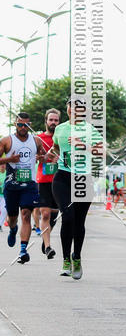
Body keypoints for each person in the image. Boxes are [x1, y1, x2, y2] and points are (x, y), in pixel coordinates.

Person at [46, 99, 104, 280]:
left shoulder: (90, 130)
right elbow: (56, 147)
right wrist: (52, 154)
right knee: (68, 216)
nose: (75, 110)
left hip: (83, 179)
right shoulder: (61, 129)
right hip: (62, 177)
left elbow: (101, 151)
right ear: (68, 109)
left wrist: (83, 145)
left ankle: (76, 257)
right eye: (72, 106)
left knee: (79, 222)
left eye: (79, 107)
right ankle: (65, 259)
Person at [0, 112, 45, 264]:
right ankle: (13, 229)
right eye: (20, 124)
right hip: (12, 185)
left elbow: (45, 156)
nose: (23, 127)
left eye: (26, 125)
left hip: (29, 184)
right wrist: (9, 159)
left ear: (29, 125)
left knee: (26, 214)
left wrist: (42, 158)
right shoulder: (7, 141)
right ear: (15, 124)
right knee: (13, 217)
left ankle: (23, 250)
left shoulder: (36, 140)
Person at [37, 107, 61, 260]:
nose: (53, 122)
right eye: (51, 120)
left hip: (59, 181)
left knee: (53, 215)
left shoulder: (62, 137)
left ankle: (45, 240)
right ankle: (48, 247)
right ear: (46, 121)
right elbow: (34, 157)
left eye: (56, 120)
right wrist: (41, 157)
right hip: (44, 180)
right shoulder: (38, 139)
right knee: (45, 213)